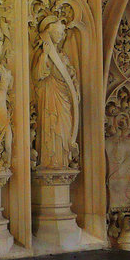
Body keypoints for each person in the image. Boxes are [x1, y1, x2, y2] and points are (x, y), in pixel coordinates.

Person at [31, 13, 79, 169]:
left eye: (61, 33)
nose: (60, 36)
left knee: (64, 129)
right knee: (53, 127)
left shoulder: (63, 56)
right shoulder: (45, 54)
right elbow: (38, 75)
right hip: (51, 96)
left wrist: (75, 89)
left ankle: (63, 160)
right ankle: (51, 163)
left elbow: (71, 76)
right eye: (57, 33)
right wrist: (44, 55)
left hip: (64, 97)